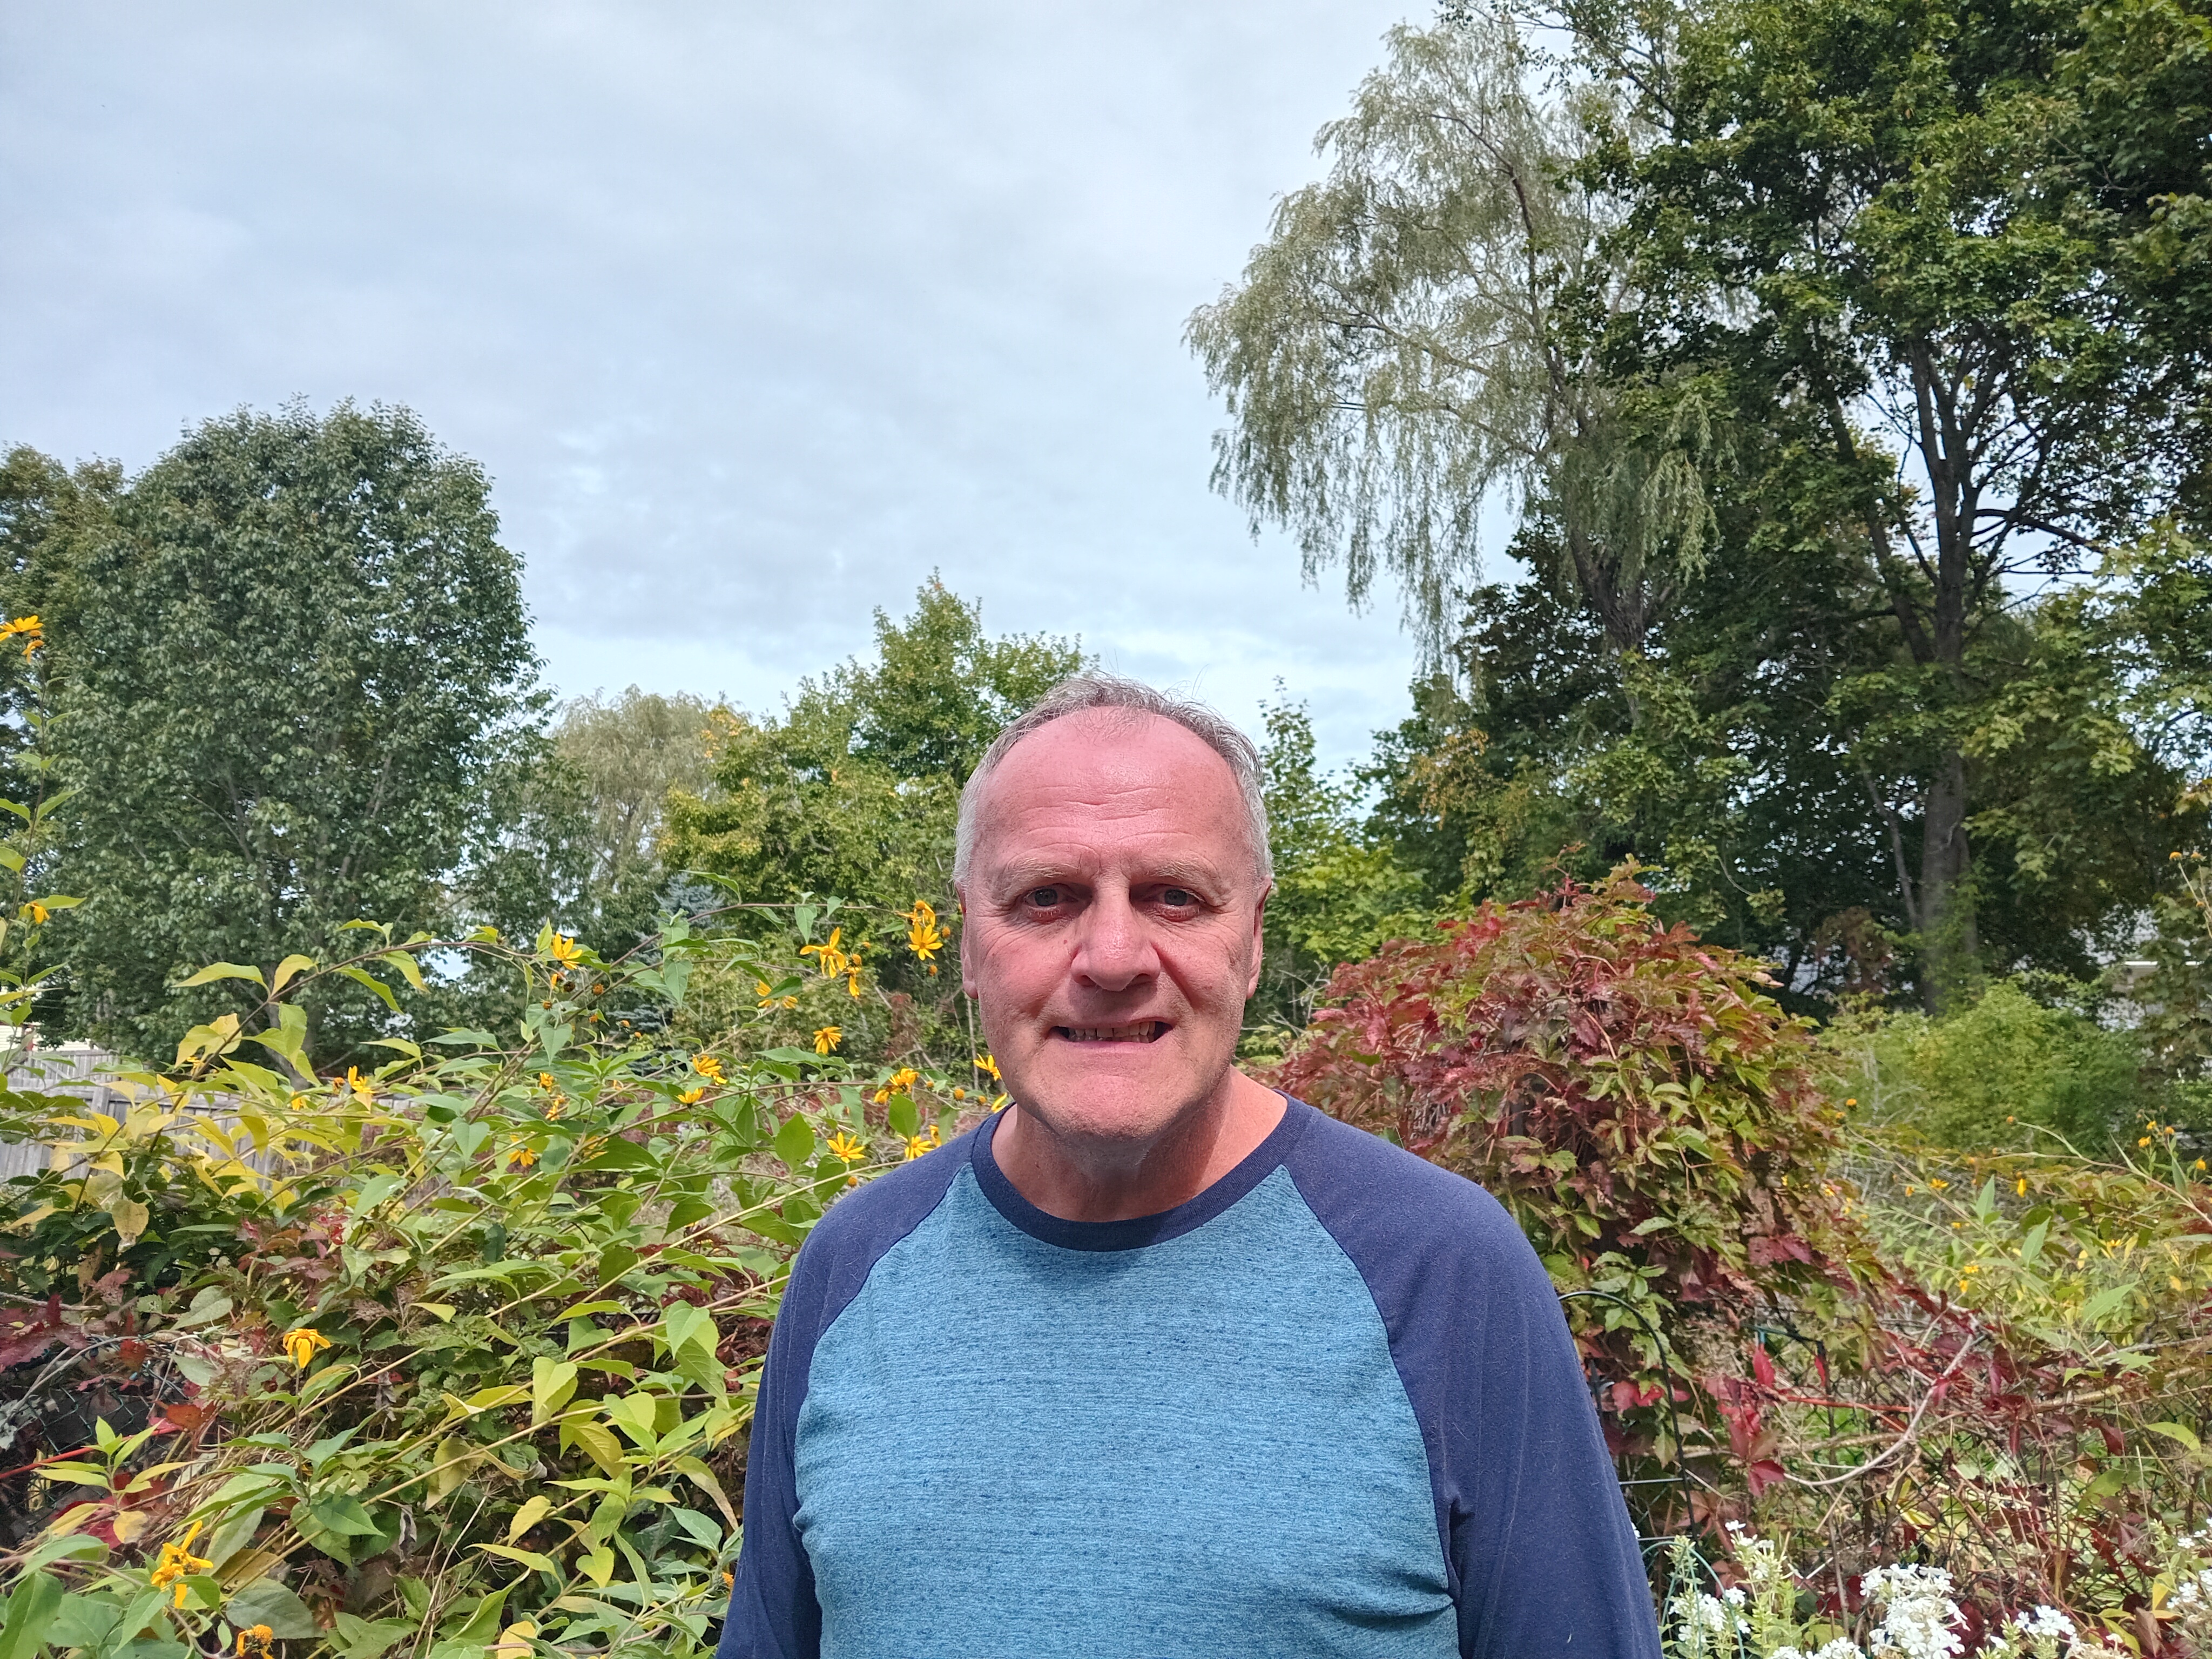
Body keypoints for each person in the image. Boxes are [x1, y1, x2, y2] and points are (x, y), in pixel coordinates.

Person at [717, 674, 1662, 1659]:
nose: (1113, 956)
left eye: (1175, 897)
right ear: (968, 942)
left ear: (1252, 938)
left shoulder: (1443, 1271)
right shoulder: (853, 1264)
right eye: (1046, 898)